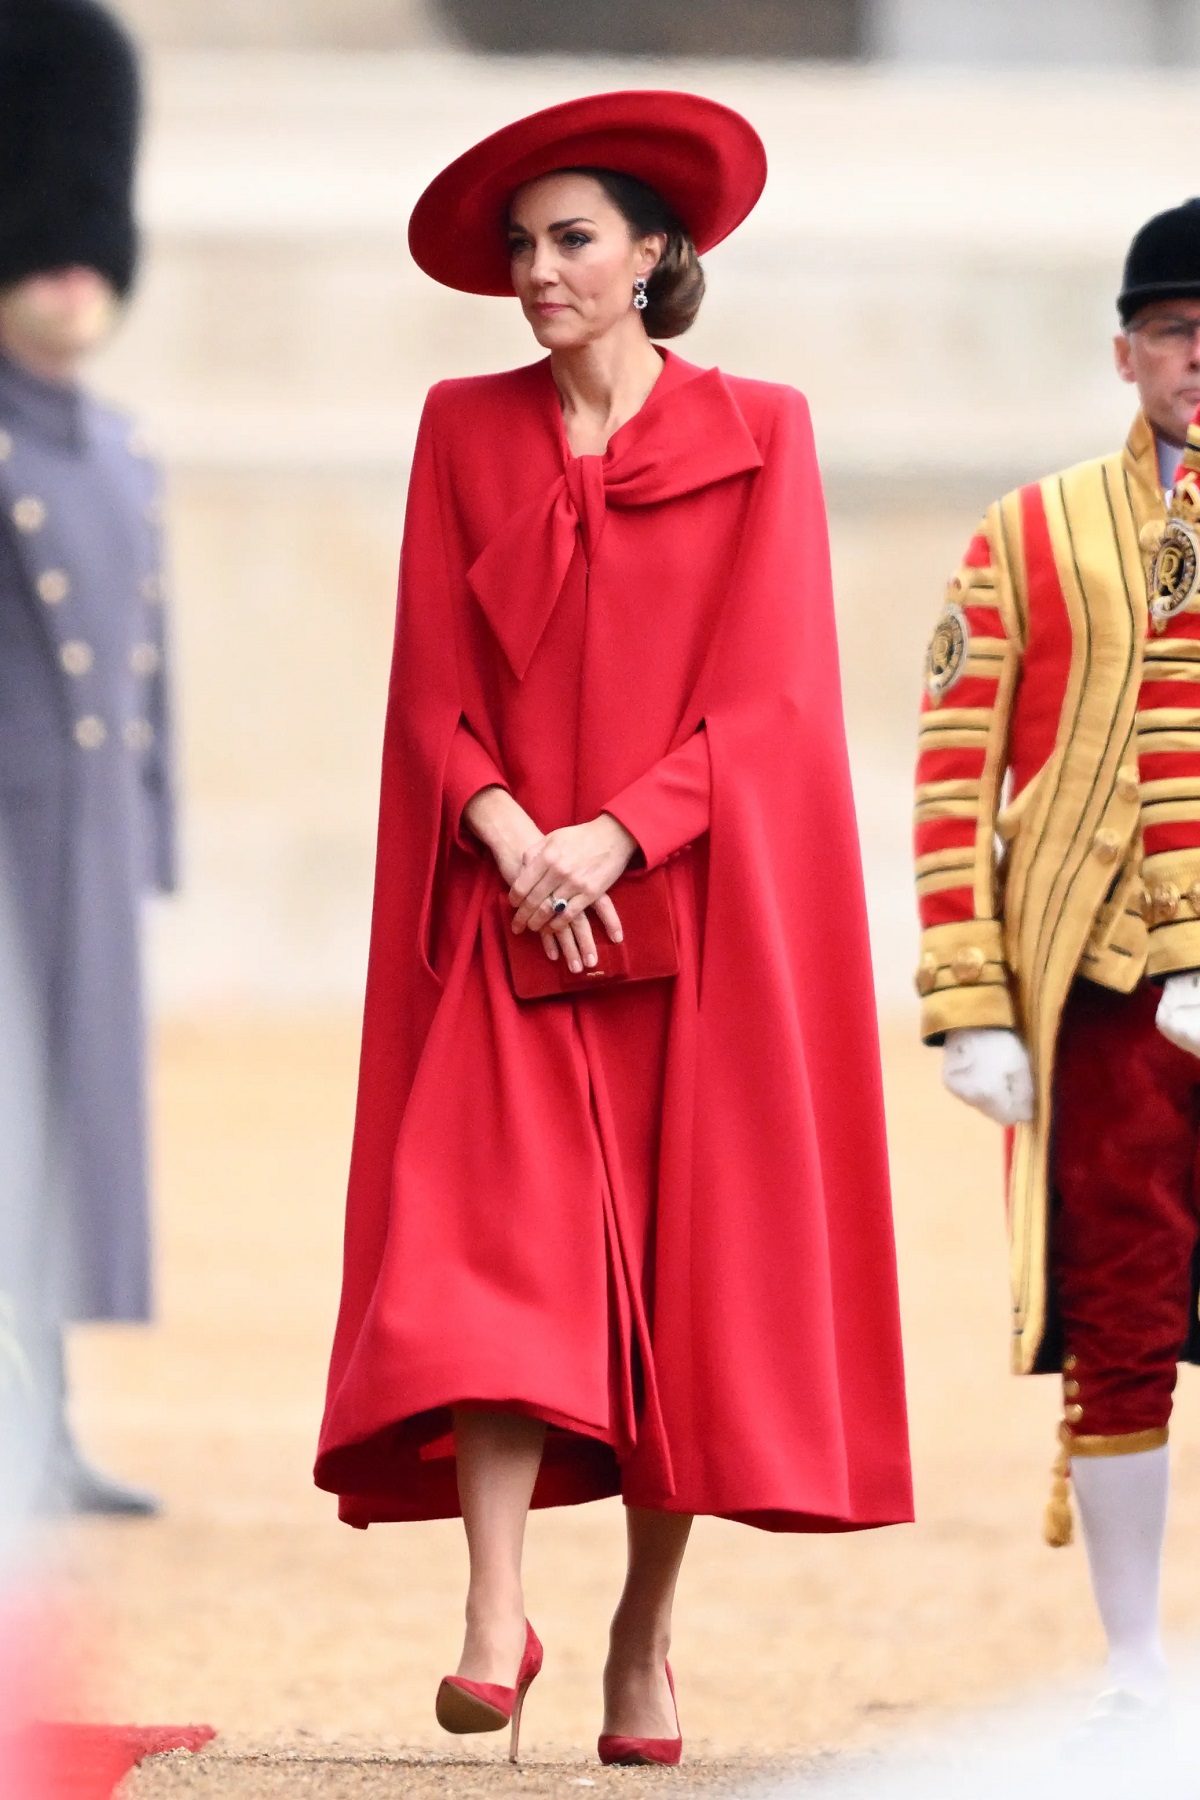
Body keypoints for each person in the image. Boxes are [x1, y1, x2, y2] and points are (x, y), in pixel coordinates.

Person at [315, 90, 912, 1764]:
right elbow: (430, 684)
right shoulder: (462, 428)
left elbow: (777, 702)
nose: (537, 271)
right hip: (511, 917)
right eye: (522, 245)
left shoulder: (765, 430)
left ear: (657, 255)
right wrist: (515, 840)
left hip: (687, 927)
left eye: (571, 239)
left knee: (677, 1302)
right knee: (481, 1261)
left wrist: (613, 839)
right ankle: (495, 1611)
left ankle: (642, 1641)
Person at [912, 198, 1200, 1729]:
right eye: (1176, 330)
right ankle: (1138, 1664)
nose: (1199, 358)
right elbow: (956, 771)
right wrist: (968, 1000)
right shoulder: (1027, 532)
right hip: (1104, 985)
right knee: (1120, 1311)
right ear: (1126, 349)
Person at [0, 0, 176, 1516]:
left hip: (86, 856)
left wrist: (151, 840)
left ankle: (43, 1423)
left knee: (66, 1140)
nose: (65, 270)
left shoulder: (120, 451)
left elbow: (148, 682)